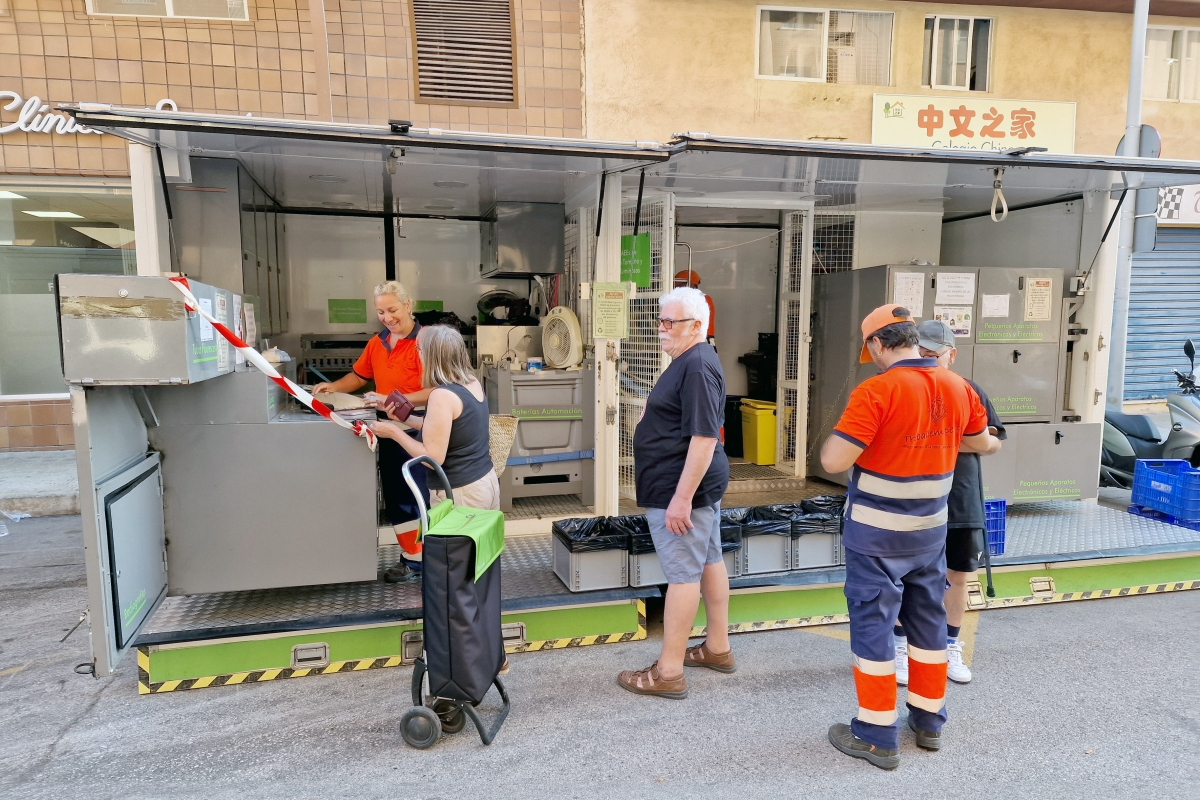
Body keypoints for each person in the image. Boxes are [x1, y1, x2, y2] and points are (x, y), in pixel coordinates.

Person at [820, 304, 999, 770]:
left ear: (879, 344)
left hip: (877, 536)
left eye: (871, 349)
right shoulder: (958, 386)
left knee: (874, 629)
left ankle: (876, 734)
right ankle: (928, 720)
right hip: (929, 533)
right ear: (915, 338)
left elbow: (834, 461)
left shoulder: (876, 390)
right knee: (928, 626)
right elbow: (986, 443)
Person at [617, 286, 733, 700]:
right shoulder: (689, 359)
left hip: (682, 490)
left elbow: (704, 438)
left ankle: (668, 672)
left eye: (671, 322)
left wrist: (680, 499)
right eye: (660, 321)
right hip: (688, 485)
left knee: (683, 576)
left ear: (697, 326)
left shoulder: (698, 366)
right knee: (709, 560)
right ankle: (717, 647)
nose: (662, 330)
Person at [890, 320, 1006, 685]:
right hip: (913, 498)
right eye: (920, 353)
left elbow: (993, 440)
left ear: (951, 355)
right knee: (904, 574)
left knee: (958, 574)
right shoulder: (902, 388)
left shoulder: (967, 390)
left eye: (933, 355)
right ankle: (899, 648)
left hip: (960, 498)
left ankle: (950, 645)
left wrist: (943, 435)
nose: (926, 360)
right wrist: (961, 435)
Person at [313, 281, 432, 575]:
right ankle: (413, 557)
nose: (387, 317)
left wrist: (394, 399)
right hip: (386, 428)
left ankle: (423, 560)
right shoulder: (377, 343)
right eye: (381, 312)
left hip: (415, 427)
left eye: (392, 309)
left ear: (408, 305)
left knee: (413, 494)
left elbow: (437, 389)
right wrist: (332, 388)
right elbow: (358, 376)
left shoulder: (427, 341)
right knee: (395, 495)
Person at [370, 324, 500, 512]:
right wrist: (403, 419)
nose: (418, 354)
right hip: (484, 482)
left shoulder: (442, 396)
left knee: (453, 543)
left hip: (459, 493)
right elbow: (445, 429)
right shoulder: (471, 382)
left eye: (418, 349)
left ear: (431, 356)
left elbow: (432, 456)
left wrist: (393, 432)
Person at [673, 270, 716, 346]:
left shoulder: (700, 299)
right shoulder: (703, 298)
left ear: (688, 284)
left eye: (678, 286)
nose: (676, 289)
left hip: (700, 339)